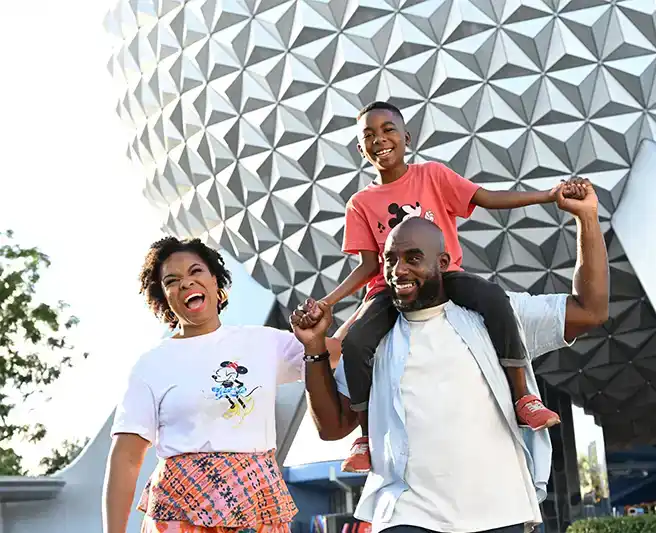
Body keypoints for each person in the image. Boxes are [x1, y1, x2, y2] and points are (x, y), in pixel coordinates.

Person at [292, 178, 608, 533]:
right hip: (406, 514)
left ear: (443, 262)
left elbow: (590, 310)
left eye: (413, 258)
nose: (399, 271)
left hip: (499, 511)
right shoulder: (372, 338)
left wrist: (587, 218)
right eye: (390, 260)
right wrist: (314, 349)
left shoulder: (495, 313)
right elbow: (332, 427)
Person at [315, 100, 566, 472]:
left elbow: (487, 198)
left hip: (444, 278)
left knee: (495, 299)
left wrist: (548, 195)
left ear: (406, 137)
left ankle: (523, 397)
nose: (380, 140)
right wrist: (330, 301)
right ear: (360, 148)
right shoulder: (360, 203)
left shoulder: (432, 175)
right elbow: (370, 265)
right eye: (369, 135)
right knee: (355, 343)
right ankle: (367, 437)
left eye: (388, 130)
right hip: (391, 289)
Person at [102, 237, 314, 533]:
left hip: (256, 501)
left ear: (216, 282)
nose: (186, 283)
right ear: (164, 297)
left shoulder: (264, 342)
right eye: (172, 280)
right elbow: (126, 457)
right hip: (179, 512)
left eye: (196, 272)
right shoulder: (152, 363)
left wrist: (376, 296)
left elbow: (330, 353)